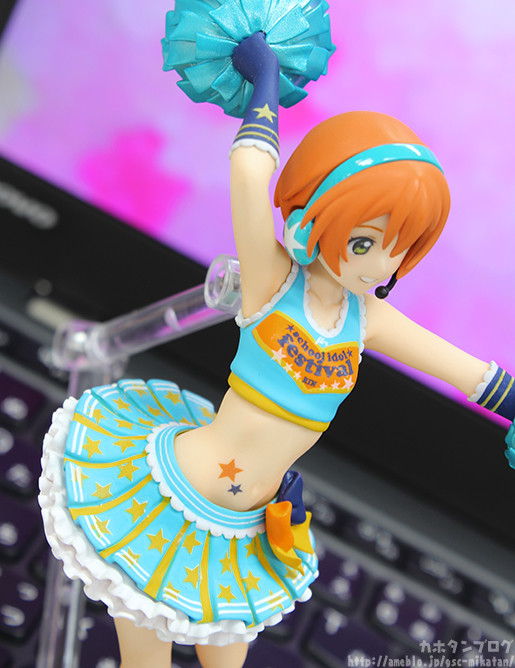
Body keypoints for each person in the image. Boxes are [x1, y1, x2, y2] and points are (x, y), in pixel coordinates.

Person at [39, 33, 515, 668]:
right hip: (164, 505)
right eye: (367, 242)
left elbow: (470, 373)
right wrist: (263, 81)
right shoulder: (271, 283)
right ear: (312, 218)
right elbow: (249, 174)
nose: (383, 265)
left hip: (247, 534)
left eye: (402, 248)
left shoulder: (365, 318)